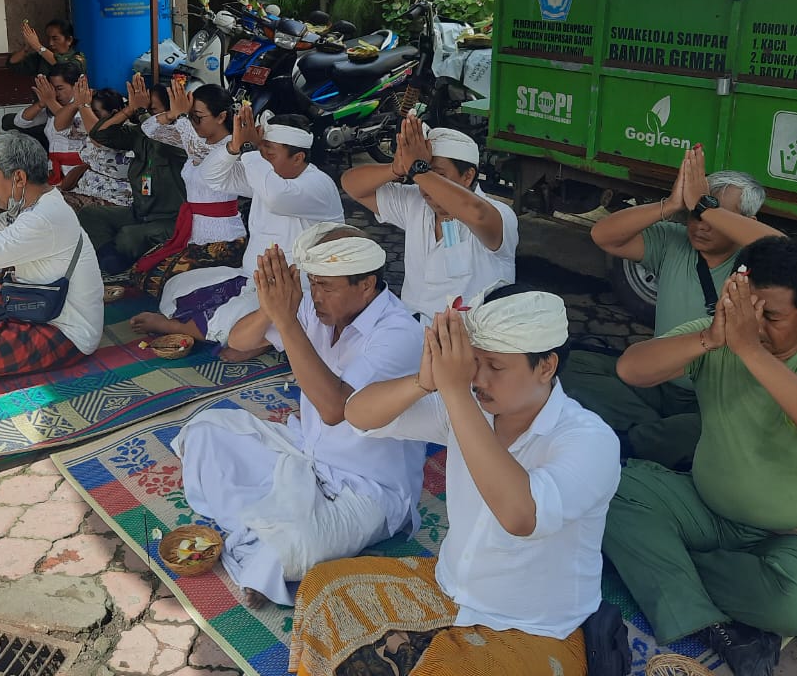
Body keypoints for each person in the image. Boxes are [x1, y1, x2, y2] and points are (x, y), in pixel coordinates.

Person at [291, 285, 621, 676]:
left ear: (546, 366)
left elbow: (521, 516)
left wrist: (455, 394)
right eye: (473, 363)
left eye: (495, 367)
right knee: (323, 590)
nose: (478, 379)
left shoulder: (590, 439)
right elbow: (357, 413)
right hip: (447, 587)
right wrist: (425, 381)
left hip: (535, 625)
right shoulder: (466, 404)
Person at [603, 237, 797, 676]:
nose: (755, 326)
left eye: (771, 317)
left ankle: (667, 573)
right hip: (706, 508)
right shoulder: (718, 336)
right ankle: (706, 614)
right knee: (609, 491)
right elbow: (631, 369)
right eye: (746, 312)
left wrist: (750, 350)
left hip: (794, 534)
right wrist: (712, 336)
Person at [172, 224, 427, 609]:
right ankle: (260, 522)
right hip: (304, 448)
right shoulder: (313, 306)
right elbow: (240, 342)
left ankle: (265, 530)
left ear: (366, 285)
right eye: (311, 283)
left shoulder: (399, 334)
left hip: (367, 485)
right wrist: (272, 308)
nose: (316, 296)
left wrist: (288, 322)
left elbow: (334, 409)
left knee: (291, 549)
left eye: (326, 286)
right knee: (202, 431)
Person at [564, 145, 783, 469]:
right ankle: (652, 436)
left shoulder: (757, 263)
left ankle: (642, 438)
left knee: (718, 427)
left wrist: (708, 209)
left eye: (714, 215)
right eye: (697, 212)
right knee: (568, 366)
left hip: (712, 399)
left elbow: (784, 249)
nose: (701, 223)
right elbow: (603, 236)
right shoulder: (673, 240)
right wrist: (672, 204)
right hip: (656, 381)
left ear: (747, 222)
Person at [132, 104, 343, 360]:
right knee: (178, 285)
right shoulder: (268, 175)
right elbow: (214, 178)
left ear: (298, 158)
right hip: (251, 278)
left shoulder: (317, 185)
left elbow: (276, 196)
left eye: (270, 153)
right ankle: (258, 338)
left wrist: (251, 150)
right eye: (262, 152)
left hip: (297, 289)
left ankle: (185, 329)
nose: (263, 159)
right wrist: (234, 147)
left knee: (237, 327)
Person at [0, 133, 104, 388]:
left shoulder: (45, 217)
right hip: (33, 302)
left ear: (19, 178)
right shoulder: (32, 205)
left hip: (66, 330)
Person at [342, 114, 518, 323]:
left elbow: (477, 213)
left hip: (471, 344)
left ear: (468, 176)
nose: (425, 186)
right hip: (412, 333)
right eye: (422, 173)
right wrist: (396, 168)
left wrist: (418, 170)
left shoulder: (499, 213)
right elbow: (351, 185)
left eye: (438, 175)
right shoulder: (415, 202)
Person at [131, 80, 247, 296]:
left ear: (221, 117)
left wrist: (183, 117)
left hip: (224, 238)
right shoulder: (195, 139)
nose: (193, 123)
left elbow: (199, 155)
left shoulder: (231, 147)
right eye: (191, 116)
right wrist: (171, 114)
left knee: (161, 283)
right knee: (141, 271)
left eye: (198, 117)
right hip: (193, 232)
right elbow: (149, 129)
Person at [77, 75, 186, 274]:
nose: (149, 115)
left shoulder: (181, 138)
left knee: (129, 236)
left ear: (172, 111)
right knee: (90, 214)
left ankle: (111, 265)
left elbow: (156, 135)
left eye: (153, 109)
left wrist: (143, 112)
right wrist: (129, 110)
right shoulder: (139, 135)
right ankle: (109, 262)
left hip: (171, 221)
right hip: (140, 213)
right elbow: (99, 134)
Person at [2, 19, 87, 147]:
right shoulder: (42, 57)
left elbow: (64, 68)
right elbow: (13, 64)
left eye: (55, 38)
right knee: (8, 121)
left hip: (70, 111)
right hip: (45, 109)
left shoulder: (78, 58)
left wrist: (38, 46)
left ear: (68, 40)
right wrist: (27, 47)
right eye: (48, 39)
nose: (51, 43)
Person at [58, 84, 134, 211]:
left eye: (95, 112)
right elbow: (60, 126)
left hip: (114, 199)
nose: (88, 115)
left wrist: (84, 106)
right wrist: (76, 103)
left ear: (114, 113)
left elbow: (99, 138)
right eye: (89, 110)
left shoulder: (127, 131)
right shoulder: (89, 124)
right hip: (83, 190)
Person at [11, 62, 88, 184]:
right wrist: (41, 103)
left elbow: (67, 127)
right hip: (54, 171)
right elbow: (20, 122)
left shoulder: (87, 106)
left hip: (80, 174)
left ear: (76, 85)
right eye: (52, 90)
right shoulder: (51, 108)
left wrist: (50, 100)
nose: (55, 94)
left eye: (59, 88)